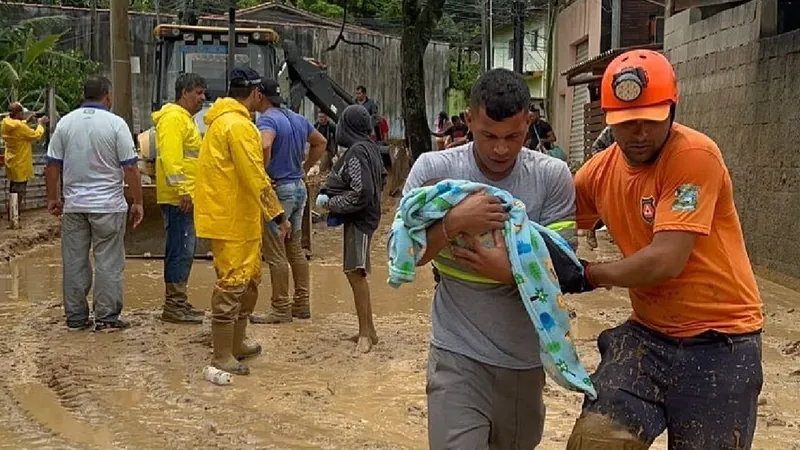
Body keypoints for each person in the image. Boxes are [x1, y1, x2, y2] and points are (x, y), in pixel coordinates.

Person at [567, 49, 764, 449]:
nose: (639, 133)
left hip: (721, 342)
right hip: (648, 337)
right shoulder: (598, 173)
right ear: (609, 121)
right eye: (626, 124)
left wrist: (590, 274)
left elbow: (666, 260)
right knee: (596, 440)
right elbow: (550, 228)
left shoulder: (694, 156)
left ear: (672, 110)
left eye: (649, 121)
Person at [401, 68, 577, 449]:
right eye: (488, 136)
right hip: (456, 354)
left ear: (529, 123)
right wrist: (453, 222)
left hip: (524, 364)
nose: (500, 149)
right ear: (468, 121)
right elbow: (405, 254)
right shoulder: (435, 172)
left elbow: (566, 267)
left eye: (513, 136)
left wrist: (510, 272)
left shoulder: (552, 176)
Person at [193, 68, 284, 375]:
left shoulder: (222, 123)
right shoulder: (238, 127)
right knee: (233, 283)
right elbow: (254, 175)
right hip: (233, 219)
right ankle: (221, 354)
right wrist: (277, 212)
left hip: (235, 216)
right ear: (256, 93)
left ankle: (236, 342)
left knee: (248, 280)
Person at [44, 76, 144, 332]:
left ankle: (76, 318)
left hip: (75, 207)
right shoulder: (115, 124)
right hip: (109, 206)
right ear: (107, 96)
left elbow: (52, 165)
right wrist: (138, 202)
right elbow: (131, 168)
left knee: (74, 261)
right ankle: (107, 318)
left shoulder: (65, 124)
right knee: (108, 262)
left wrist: (53, 198)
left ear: (82, 94)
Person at [250, 79, 327, 324]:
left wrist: (263, 173)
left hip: (279, 190)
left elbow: (264, 144)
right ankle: (302, 303)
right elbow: (321, 142)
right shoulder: (297, 118)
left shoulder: (267, 120)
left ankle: (280, 307)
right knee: (294, 247)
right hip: (299, 188)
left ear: (260, 96)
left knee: (275, 251)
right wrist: (304, 168)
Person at [315, 104, 386, 353]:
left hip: (360, 219)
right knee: (354, 272)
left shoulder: (357, 152)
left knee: (356, 273)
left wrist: (332, 203)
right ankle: (368, 330)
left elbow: (361, 190)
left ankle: (366, 334)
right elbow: (380, 180)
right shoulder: (370, 148)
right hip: (364, 217)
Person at [152, 73, 208, 324]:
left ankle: (179, 301)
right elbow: (171, 158)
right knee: (180, 249)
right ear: (183, 92)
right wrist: (183, 190)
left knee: (185, 249)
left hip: (185, 196)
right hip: (179, 198)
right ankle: (174, 305)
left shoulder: (185, 120)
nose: (202, 98)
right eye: (198, 92)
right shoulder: (174, 119)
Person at [2, 103, 48, 218]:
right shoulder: (20, 127)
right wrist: (40, 124)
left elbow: (17, 127)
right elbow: (36, 135)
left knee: (13, 189)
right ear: (18, 114)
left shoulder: (5, 123)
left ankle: (12, 214)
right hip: (21, 162)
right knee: (19, 191)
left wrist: (26, 121)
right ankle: (14, 217)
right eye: (21, 113)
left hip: (11, 161)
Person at [584, 125, 616, 250]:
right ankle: (592, 227)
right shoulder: (611, 130)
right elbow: (596, 148)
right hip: (610, 171)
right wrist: (609, 159)